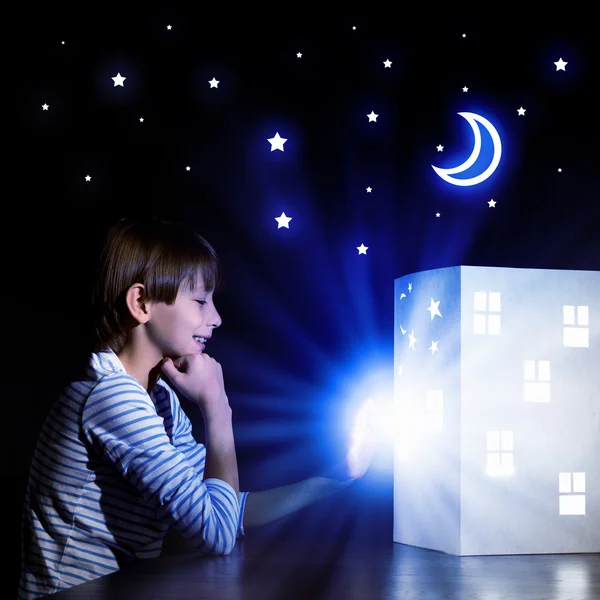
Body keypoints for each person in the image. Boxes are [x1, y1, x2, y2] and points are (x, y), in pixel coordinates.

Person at [18, 216, 375, 599]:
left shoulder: (157, 397)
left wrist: (337, 478)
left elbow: (226, 510)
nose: (216, 318)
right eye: (201, 301)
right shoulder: (111, 398)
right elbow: (216, 535)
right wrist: (217, 407)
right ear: (140, 303)